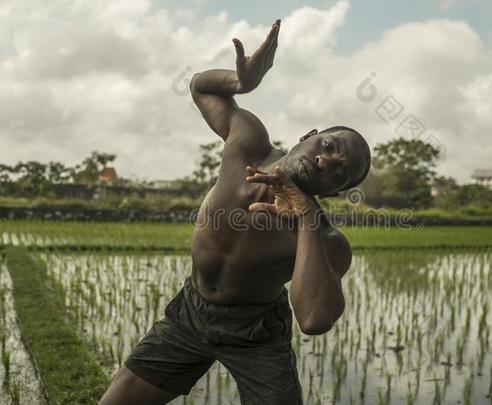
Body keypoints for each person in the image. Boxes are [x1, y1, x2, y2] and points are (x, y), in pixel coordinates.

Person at [100, 18, 371, 405]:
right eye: (328, 146)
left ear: (337, 191)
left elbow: (313, 320)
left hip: (256, 332)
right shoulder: (247, 141)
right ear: (309, 137)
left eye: (340, 172)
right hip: (190, 312)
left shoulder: (326, 240)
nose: (327, 162)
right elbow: (200, 86)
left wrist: (306, 217)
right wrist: (241, 83)